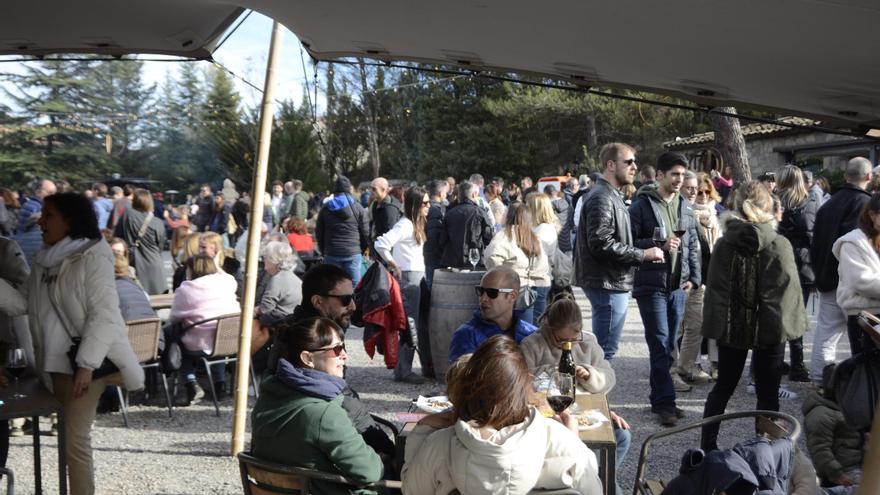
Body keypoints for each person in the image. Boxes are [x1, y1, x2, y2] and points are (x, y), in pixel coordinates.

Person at [0, 192, 143, 494]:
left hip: (81, 363)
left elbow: (103, 315)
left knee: (74, 442)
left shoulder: (93, 254)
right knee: (69, 441)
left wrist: (87, 365)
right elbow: (21, 302)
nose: (41, 222)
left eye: (49, 215)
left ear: (70, 220)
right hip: (54, 364)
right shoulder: (45, 259)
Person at [402, 334, 602, 495]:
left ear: (466, 388)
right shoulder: (560, 441)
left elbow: (410, 490)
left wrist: (422, 428)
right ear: (523, 386)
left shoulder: (439, 444)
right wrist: (573, 440)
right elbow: (593, 489)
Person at [700, 181, 807, 451]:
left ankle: (707, 448)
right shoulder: (779, 244)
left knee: (723, 387)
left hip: (731, 327)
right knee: (768, 394)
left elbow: (716, 289)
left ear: (736, 207)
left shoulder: (725, 244)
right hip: (770, 328)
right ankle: (766, 451)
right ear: (769, 207)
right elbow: (786, 294)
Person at [251, 317, 384, 495]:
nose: (345, 355)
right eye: (336, 349)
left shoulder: (268, 396)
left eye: (343, 347)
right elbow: (370, 472)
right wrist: (381, 459)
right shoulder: (324, 413)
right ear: (308, 358)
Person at [519, 295, 631, 481]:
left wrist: (589, 374)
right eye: (561, 340)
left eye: (573, 339)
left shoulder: (587, 344)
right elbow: (522, 381)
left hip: (586, 410)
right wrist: (552, 372)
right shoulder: (533, 345)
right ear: (549, 326)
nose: (567, 345)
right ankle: (585, 478)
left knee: (622, 436)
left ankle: (598, 477)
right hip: (548, 413)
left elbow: (609, 378)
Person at [629, 152, 701, 426]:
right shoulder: (642, 206)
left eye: (682, 175)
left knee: (670, 344)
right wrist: (658, 243)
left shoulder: (684, 204)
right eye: (674, 174)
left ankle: (661, 398)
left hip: (677, 286)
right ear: (660, 175)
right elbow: (630, 242)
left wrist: (694, 277)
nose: (679, 180)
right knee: (660, 343)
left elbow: (692, 242)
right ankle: (666, 404)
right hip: (651, 285)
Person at [576, 143, 664, 361]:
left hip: (610, 281)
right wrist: (642, 254)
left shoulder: (610, 194)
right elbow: (601, 243)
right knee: (604, 354)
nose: (635, 167)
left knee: (603, 352)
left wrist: (644, 246)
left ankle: (598, 393)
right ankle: (598, 395)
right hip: (608, 282)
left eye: (635, 161)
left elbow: (614, 239)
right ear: (611, 165)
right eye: (629, 162)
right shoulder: (602, 197)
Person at [811, 157, 873, 381]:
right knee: (859, 335)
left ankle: (819, 378)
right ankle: (838, 381)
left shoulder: (828, 203)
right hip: (848, 280)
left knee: (827, 331)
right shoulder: (863, 204)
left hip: (827, 275)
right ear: (868, 177)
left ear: (847, 176)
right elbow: (854, 246)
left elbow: (816, 241)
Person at [374, 187, 431, 384]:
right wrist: (393, 264)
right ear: (415, 205)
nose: (428, 206)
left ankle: (417, 366)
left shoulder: (413, 224)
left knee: (418, 321)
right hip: (409, 277)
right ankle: (403, 370)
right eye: (425, 203)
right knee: (410, 324)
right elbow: (380, 243)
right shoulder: (405, 225)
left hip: (417, 275)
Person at [169, 254, 239, 404]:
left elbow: (174, 317)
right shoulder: (227, 282)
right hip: (229, 339)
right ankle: (219, 384)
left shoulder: (186, 289)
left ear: (191, 269)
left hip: (199, 342)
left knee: (174, 338)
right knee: (218, 335)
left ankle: (190, 383)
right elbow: (229, 278)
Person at [673, 172, 720, 384]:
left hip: (699, 278)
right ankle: (674, 371)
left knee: (696, 325)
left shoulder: (709, 215)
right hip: (684, 279)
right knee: (677, 327)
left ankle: (684, 366)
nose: (697, 193)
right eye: (691, 188)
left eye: (700, 190)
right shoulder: (680, 212)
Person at [776, 164, 820, 381]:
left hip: (778, 263)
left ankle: (777, 362)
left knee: (778, 314)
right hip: (801, 264)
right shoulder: (809, 203)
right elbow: (813, 235)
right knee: (796, 315)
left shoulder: (774, 202)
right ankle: (797, 365)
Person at [448, 266, 537, 362]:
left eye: (492, 293)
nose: (483, 298)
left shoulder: (531, 334)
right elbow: (460, 375)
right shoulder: (466, 335)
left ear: (512, 296)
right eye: (481, 291)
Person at [484, 202, 551, 325]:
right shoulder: (534, 237)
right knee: (537, 332)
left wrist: (501, 276)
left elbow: (491, 257)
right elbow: (545, 263)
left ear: (508, 216)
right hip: (540, 287)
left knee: (520, 334)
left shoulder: (504, 236)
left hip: (518, 289)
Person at [832, 192, 880, 355]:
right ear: (872, 215)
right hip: (865, 317)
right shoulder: (853, 243)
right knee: (868, 374)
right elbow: (861, 282)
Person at [802, 364, 864, 489]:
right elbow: (820, 450)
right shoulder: (821, 415)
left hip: (858, 462)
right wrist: (839, 475)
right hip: (845, 471)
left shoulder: (842, 405)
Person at [315, 176, 369, 288]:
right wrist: (362, 249)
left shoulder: (325, 209)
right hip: (353, 252)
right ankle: (353, 305)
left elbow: (319, 232)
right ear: (349, 189)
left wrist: (323, 251)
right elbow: (365, 232)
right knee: (354, 285)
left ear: (334, 191)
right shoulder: (358, 207)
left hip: (332, 253)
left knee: (333, 286)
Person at [114, 188, 167, 295]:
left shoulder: (127, 215)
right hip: (154, 264)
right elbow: (160, 246)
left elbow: (117, 236)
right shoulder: (157, 222)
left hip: (133, 264)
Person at [438, 181, 494, 269]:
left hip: (453, 260)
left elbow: (442, 239)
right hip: (475, 259)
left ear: (459, 196)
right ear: (474, 194)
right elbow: (488, 237)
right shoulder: (480, 212)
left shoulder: (449, 213)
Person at [256, 241, 303, 327]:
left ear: (273, 260)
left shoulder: (278, 279)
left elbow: (265, 309)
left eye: (265, 257)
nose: (264, 260)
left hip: (278, 325)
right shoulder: (290, 276)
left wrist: (251, 312)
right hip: (290, 321)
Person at [424, 179, 447, 287]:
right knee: (432, 283)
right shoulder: (435, 209)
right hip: (433, 253)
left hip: (428, 251)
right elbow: (434, 234)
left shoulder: (427, 207)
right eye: (445, 192)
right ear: (441, 193)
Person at [370, 177, 402, 243]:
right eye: (371, 188)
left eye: (374, 189)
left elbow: (390, 233)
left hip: (387, 247)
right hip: (378, 244)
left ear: (383, 189)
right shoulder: (375, 204)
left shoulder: (390, 208)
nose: (371, 191)